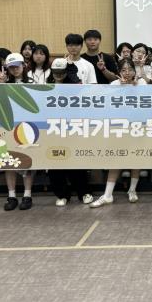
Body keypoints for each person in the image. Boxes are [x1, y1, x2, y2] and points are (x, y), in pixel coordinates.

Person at [90, 57, 145, 208]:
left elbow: (147, 103)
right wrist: (121, 88)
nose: (127, 73)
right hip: (119, 128)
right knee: (116, 159)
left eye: (130, 69)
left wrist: (133, 88)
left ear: (135, 70)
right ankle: (108, 195)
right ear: (119, 72)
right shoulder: (114, 84)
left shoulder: (141, 83)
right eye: (123, 70)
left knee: (136, 158)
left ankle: (132, 190)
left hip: (138, 127)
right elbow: (107, 104)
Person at [46, 58, 93, 206]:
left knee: (76, 162)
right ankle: (62, 195)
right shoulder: (46, 87)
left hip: (72, 128)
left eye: (62, 72)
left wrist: (71, 69)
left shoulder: (74, 85)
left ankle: (84, 193)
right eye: (56, 72)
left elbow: (80, 87)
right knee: (55, 163)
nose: (59, 74)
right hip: (53, 129)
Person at [2, 53, 35, 211]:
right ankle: (12, 196)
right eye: (11, 67)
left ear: (24, 65)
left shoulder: (33, 83)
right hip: (7, 126)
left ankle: (27, 195)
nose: (15, 70)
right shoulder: (3, 84)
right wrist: (0, 84)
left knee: (27, 162)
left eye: (17, 66)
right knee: (8, 162)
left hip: (27, 127)